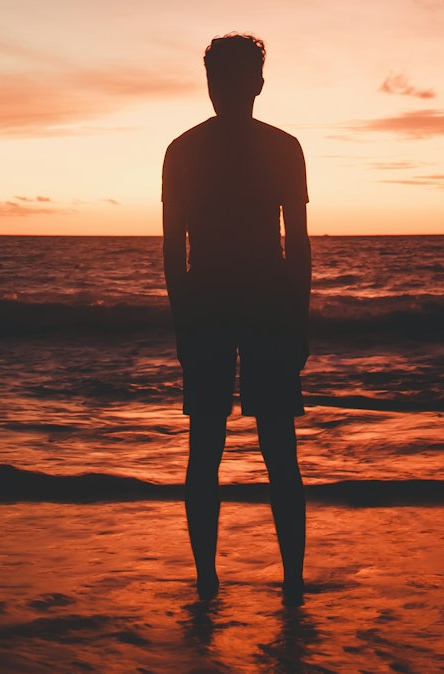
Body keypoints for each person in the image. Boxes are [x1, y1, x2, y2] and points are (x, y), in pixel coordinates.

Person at [161, 33, 311, 602]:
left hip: (225, 309)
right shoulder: (278, 147)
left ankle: (221, 583)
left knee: (224, 448)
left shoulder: (189, 149)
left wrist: (184, 324)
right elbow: (294, 247)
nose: (226, 91)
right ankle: (268, 584)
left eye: (230, 80)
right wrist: (297, 321)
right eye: (222, 81)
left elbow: (176, 253)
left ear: (254, 85)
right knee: (262, 450)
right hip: (254, 309)